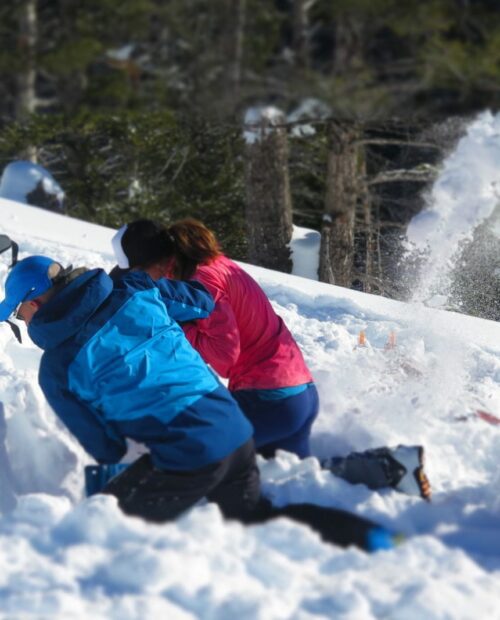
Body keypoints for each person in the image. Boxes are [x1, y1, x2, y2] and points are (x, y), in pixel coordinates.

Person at [0, 253, 403, 551]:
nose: (24, 322)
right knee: (254, 520)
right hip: (236, 431)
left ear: (34, 304)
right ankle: (381, 540)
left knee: (102, 535)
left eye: (19, 314)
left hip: (188, 456)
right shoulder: (134, 288)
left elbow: (107, 447)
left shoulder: (57, 368)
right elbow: (202, 303)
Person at [111, 218, 431, 501]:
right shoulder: (218, 265)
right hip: (296, 393)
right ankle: (392, 468)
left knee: (202, 459)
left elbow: (224, 354)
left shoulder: (203, 280)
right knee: (297, 477)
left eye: (143, 272)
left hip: (268, 397)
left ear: (164, 261)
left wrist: (176, 326)